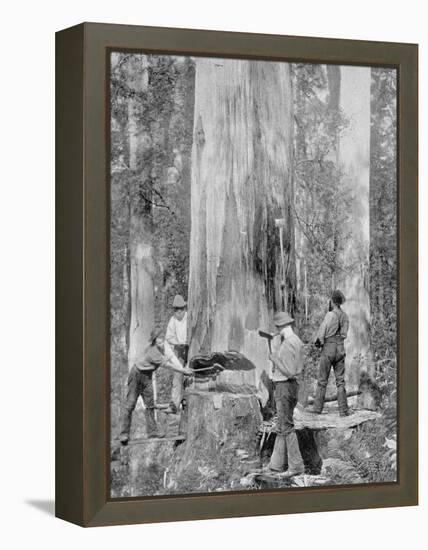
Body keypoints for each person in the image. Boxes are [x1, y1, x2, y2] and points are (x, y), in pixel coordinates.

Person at [119, 327, 193, 445]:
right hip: (136, 375)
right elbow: (168, 365)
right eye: (158, 340)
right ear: (154, 341)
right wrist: (183, 371)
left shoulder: (165, 348)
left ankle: (152, 432)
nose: (160, 341)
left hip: (147, 376)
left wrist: (183, 368)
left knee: (150, 405)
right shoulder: (153, 351)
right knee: (130, 404)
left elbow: (172, 359)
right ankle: (124, 434)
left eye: (162, 339)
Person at [267, 311, 305, 477]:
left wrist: (275, 360)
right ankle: (276, 465)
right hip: (292, 386)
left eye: (277, 327)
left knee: (286, 427)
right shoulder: (297, 341)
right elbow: (299, 369)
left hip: (284, 386)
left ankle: (296, 466)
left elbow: (289, 371)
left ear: (281, 327)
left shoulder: (288, 344)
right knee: (282, 425)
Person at [310, 289, 351, 416]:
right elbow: (344, 334)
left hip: (328, 347)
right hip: (340, 348)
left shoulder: (330, 315)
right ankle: (343, 411)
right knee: (340, 381)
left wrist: (318, 342)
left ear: (332, 301)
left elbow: (322, 331)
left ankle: (317, 409)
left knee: (322, 380)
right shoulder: (345, 316)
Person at [165, 295, 189, 411]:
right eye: (176, 309)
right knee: (177, 376)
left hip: (191, 348)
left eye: (181, 309)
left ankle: (186, 399)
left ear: (184, 308)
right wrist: (177, 343)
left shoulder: (190, 317)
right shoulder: (173, 320)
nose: (178, 312)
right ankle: (174, 404)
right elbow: (169, 337)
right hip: (179, 350)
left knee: (191, 375)